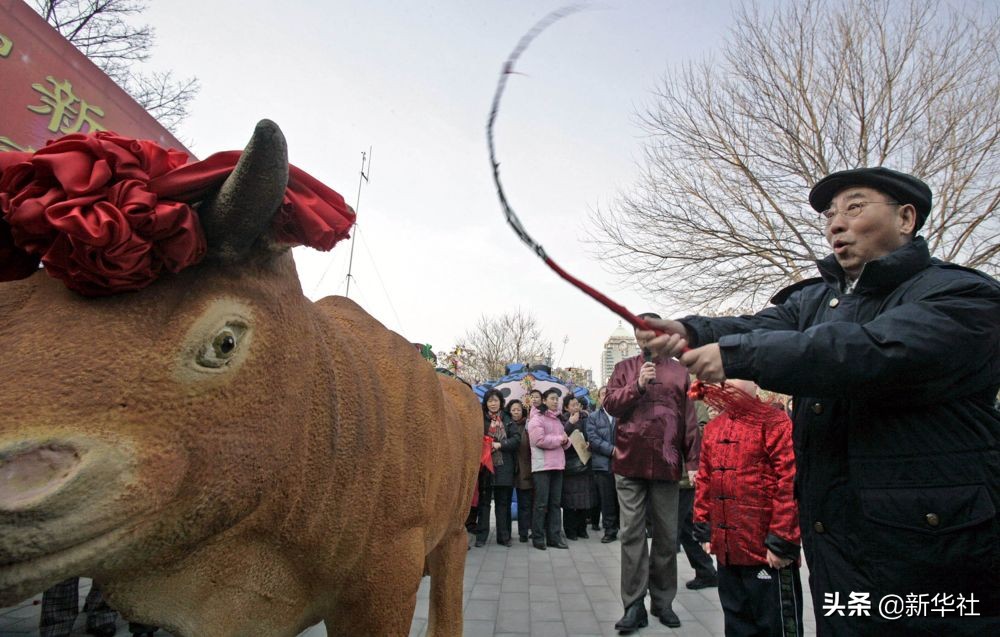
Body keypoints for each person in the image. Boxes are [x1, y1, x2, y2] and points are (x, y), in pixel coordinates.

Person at [640, 167, 1000, 636]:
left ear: (906, 218)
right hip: (839, 546)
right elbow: (761, 327)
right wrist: (690, 331)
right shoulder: (815, 300)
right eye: (830, 214)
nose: (835, 223)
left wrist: (735, 355)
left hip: (936, 546)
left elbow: (867, 351)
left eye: (854, 207)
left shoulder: (962, 295)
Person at [604, 313, 700, 632]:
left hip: (667, 462)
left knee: (666, 535)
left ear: (661, 335)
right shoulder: (624, 369)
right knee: (631, 533)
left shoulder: (680, 371)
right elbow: (610, 405)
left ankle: (663, 602)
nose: (643, 343)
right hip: (629, 460)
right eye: (639, 337)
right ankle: (634, 605)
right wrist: (637, 386)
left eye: (648, 336)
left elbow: (688, 420)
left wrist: (694, 463)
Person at [694, 379, 803, 636]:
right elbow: (705, 480)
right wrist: (704, 527)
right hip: (728, 552)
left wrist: (782, 541)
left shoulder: (775, 422)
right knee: (736, 623)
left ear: (755, 382)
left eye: (735, 374)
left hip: (767, 554)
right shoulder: (714, 428)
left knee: (776, 625)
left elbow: (790, 481)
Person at [677, 398, 717, 589]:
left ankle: (658, 583)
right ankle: (706, 571)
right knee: (686, 530)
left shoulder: (694, 404)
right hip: (669, 476)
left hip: (687, 476)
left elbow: (703, 431)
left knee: (673, 531)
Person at [475, 388, 520, 547]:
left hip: (504, 467)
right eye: (490, 401)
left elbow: (516, 439)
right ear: (486, 403)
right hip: (485, 467)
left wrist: (500, 444)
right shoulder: (480, 419)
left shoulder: (507, 419)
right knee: (484, 503)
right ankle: (481, 536)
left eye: (496, 400)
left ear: (501, 402)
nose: (493, 404)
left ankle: (504, 536)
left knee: (503, 503)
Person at [527, 388, 571, 550]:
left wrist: (566, 441)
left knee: (555, 503)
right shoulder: (537, 419)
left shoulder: (558, 420)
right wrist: (560, 439)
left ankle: (554, 537)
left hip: (558, 465)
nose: (555, 401)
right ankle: (538, 538)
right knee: (541, 503)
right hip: (542, 467)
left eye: (557, 399)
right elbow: (539, 440)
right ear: (544, 401)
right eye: (552, 398)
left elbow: (564, 441)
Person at [585, 386, 620, 543]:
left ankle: (625, 529)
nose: (606, 396)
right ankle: (610, 530)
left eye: (609, 393)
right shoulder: (593, 417)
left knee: (623, 499)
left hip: (622, 464)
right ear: (599, 398)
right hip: (602, 465)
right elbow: (593, 439)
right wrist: (612, 450)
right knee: (607, 501)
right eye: (603, 394)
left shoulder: (622, 415)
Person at [560, 395, 594, 540]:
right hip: (569, 464)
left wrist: (589, 443)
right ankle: (570, 530)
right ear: (566, 407)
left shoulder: (586, 420)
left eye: (577, 405)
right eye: (572, 405)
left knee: (583, 499)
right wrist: (569, 423)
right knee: (570, 500)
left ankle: (582, 529)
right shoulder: (562, 420)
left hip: (584, 462)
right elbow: (561, 438)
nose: (576, 407)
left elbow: (591, 436)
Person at [507, 399, 534, 542]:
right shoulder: (505, 425)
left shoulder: (528, 426)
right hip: (509, 470)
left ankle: (524, 532)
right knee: (505, 503)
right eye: (513, 410)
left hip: (525, 469)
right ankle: (506, 533)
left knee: (525, 503)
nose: (516, 412)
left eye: (518, 409)